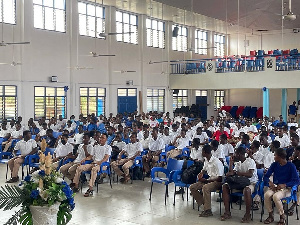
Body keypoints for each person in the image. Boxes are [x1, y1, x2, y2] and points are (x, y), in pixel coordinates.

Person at [220, 147, 258, 223]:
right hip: (239, 183)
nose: (234, 155)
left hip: (251, 183)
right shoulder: (238, 163)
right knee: (225, 186)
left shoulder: (250, 161)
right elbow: (231, 172)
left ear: (239, 154)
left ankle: (248, 214)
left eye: (236, 154)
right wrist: (231, 163)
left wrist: (238, 173)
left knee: (247, 190)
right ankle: (227, 212)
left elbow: (250, 174)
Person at [263, 148, 299, 225]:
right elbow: (265, 176)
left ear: (280, 157)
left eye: (275, 155)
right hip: (276, 187)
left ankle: (282, 216)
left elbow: (296, 180)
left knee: (276, 196)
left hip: (287, 189)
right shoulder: (274, 165)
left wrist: (285, 184)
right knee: (266, 195)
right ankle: (270, 215)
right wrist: (270, 183)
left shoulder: (291, 166)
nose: (274, 156)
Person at [189, 145, 224, 217]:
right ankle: (204, 204)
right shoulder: (206, 160)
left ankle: (207, 210)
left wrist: (207, 181)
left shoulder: (216, 162)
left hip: (217, 182)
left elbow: (220, 178)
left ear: (205, 152)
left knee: (205, 187)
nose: (201, 153)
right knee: (192, 187)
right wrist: (201, 173)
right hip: (209, 180)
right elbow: (204, 169)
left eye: (202, 151)